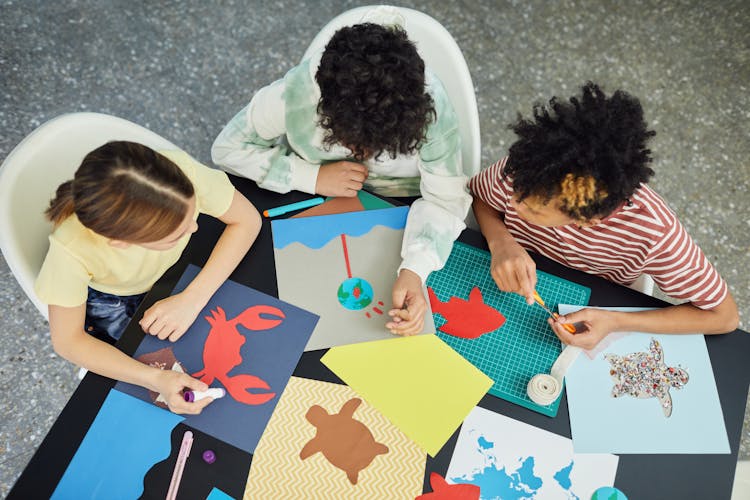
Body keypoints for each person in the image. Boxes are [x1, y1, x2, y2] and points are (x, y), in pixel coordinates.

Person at [211, 13, 472, 336]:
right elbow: (227, 149)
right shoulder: (296, 94)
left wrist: (415, 270)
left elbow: (445, 200)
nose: (362, 155)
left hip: (404, 206)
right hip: (310, 196)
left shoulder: (433, 111)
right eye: (351, 141)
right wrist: (311, 177)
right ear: (325, 108)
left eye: (380, 148)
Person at [469, 82, 739, 349]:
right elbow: (483, 198)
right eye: (516, 191)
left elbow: (724, 317)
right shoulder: (527, 170)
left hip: (595, 296)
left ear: (587, 220)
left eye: (535, 210)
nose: (514, 204)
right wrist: (500, 241)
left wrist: (614, 321)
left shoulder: (653, 232)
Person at [35, 141, 262, 414]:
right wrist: (154, 379)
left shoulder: (179, 174)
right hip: (111, 297)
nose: (194, 227)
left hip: (167, 273)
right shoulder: (71, 252)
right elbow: (68, 341)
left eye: (193, 212)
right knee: (136, 352)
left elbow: (248, 220)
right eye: (175, 234)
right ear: (121, 242)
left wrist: (194, 297)